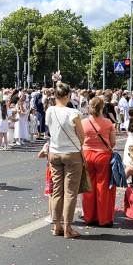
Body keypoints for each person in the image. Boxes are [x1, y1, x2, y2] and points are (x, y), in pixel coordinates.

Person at [45, 82, 84, 239]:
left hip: (54, 153)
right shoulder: (73, 113)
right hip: (71, 153)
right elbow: (81, 136)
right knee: (70, 192)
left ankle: (56, 226)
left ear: (55, 95)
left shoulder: (49, 111)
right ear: (68, 95)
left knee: (56, 191)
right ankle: (68, 228)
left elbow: (49, 129)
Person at [81, 97, 116, 227]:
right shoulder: (108, 122)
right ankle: (104, 218)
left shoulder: (84, 122)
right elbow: (113, 142)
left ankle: (90, 217)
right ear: (102, 108)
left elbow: (80, 140)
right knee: (104, 188)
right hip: (103, 155)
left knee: (88, 187)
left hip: (87, 155)